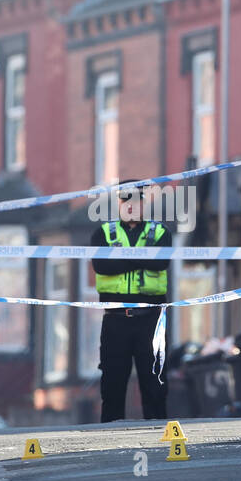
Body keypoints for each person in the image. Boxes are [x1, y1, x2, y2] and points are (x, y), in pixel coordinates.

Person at [91, 178, 171, 422]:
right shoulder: (103, 233)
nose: (130, 205)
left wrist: (121, 258)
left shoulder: (160, 232)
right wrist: (141, 257)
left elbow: (160, 262)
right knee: (112, 386)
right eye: (125, 200)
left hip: (150, 320)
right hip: (115, 319)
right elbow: (102, 266)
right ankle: (107, 443)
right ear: (118, 203)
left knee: (155, 385)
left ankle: (158, 436)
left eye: (135, 200)